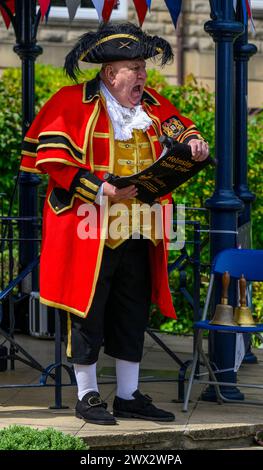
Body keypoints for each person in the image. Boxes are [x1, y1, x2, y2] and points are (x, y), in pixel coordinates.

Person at [20, 23, 209, 425]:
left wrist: (194, 143)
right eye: (134, 67)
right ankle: (88, 396)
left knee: (132, 310)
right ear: (110, 73)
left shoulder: (152, 106)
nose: (142, 75)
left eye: (143, 67)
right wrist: (101, 189)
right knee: (88, 311)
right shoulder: (72, 101)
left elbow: (183, 127)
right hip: (88, 228)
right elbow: (53, 161)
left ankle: (127, 395)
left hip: (141, 226)